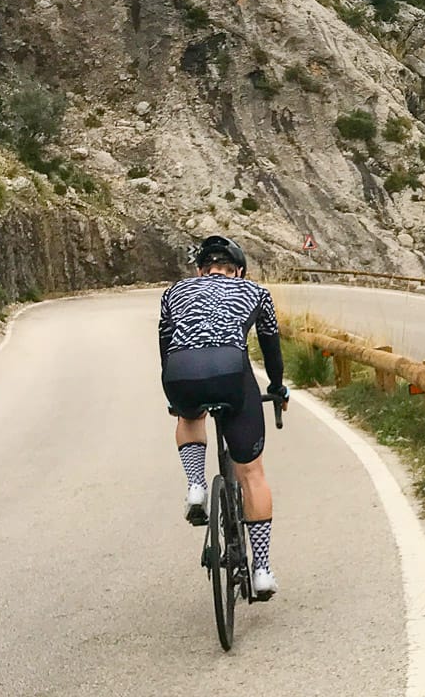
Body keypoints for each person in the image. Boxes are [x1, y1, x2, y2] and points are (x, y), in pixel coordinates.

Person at [158, 235, 289, 597]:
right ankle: (261, 569)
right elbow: (270, 346)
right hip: (232, 372)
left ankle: (196, 487)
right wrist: (277, 387)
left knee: (188, 419)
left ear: (199, 270)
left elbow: (166, 345)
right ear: (240, 271)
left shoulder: (174, 292)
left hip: (180, 372)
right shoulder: (255, 292)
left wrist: (175, 396)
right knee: (251, 472)